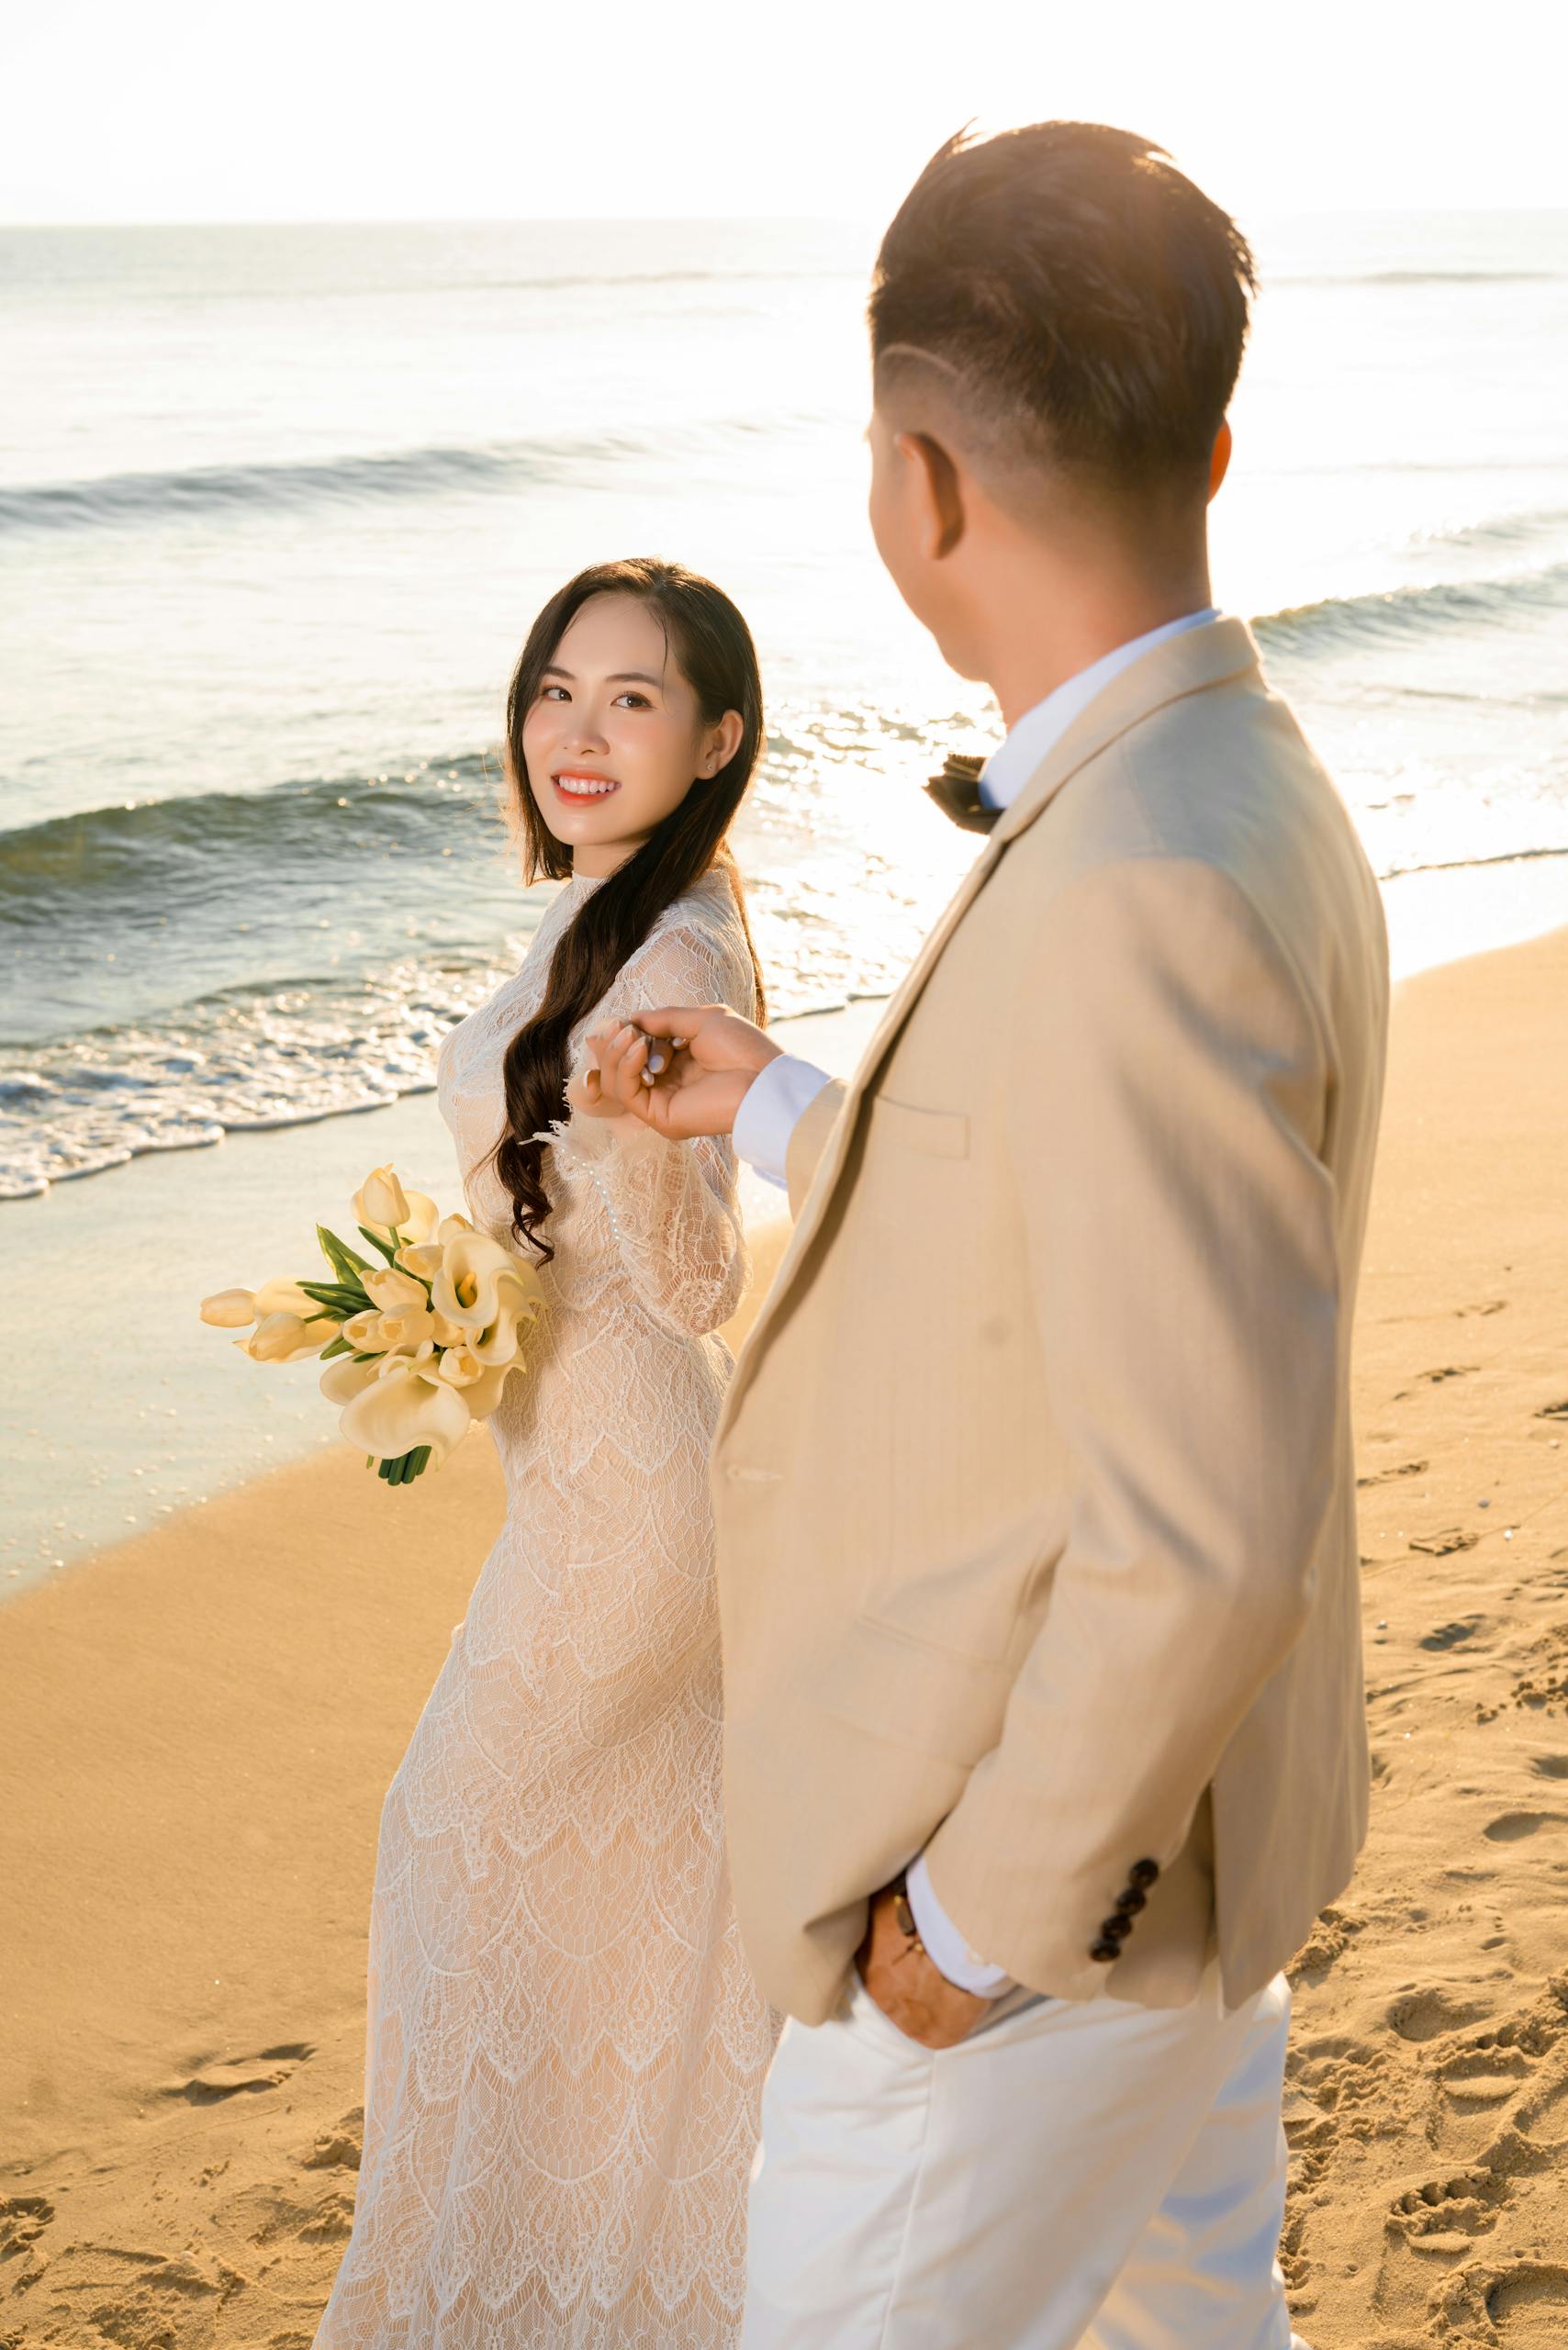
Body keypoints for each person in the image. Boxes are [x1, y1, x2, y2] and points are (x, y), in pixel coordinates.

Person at [596, 125, 1391, 2347]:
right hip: (1184, 1865)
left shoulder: (1134, 868)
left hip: (1041, 1917)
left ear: (917, 487)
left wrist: (972, 1913)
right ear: (1209, 439)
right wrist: (757, 1091)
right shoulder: (1232, 780)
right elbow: (1054, 1238)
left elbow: (1202, 1526)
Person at [315, 557, 778, 2349]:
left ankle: (503, 2298)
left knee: (451, 1830)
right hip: (584, 1473)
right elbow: (553, 1226)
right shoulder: (619, 905)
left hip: (637, 1496)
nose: (575, 734)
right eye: (553, 690)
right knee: (647, 1881)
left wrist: (644, 1144)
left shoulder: (677, 948)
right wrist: (444, 1300)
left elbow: (698, 1274)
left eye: (633, 699)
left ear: (716, 735)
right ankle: (645, 2288)